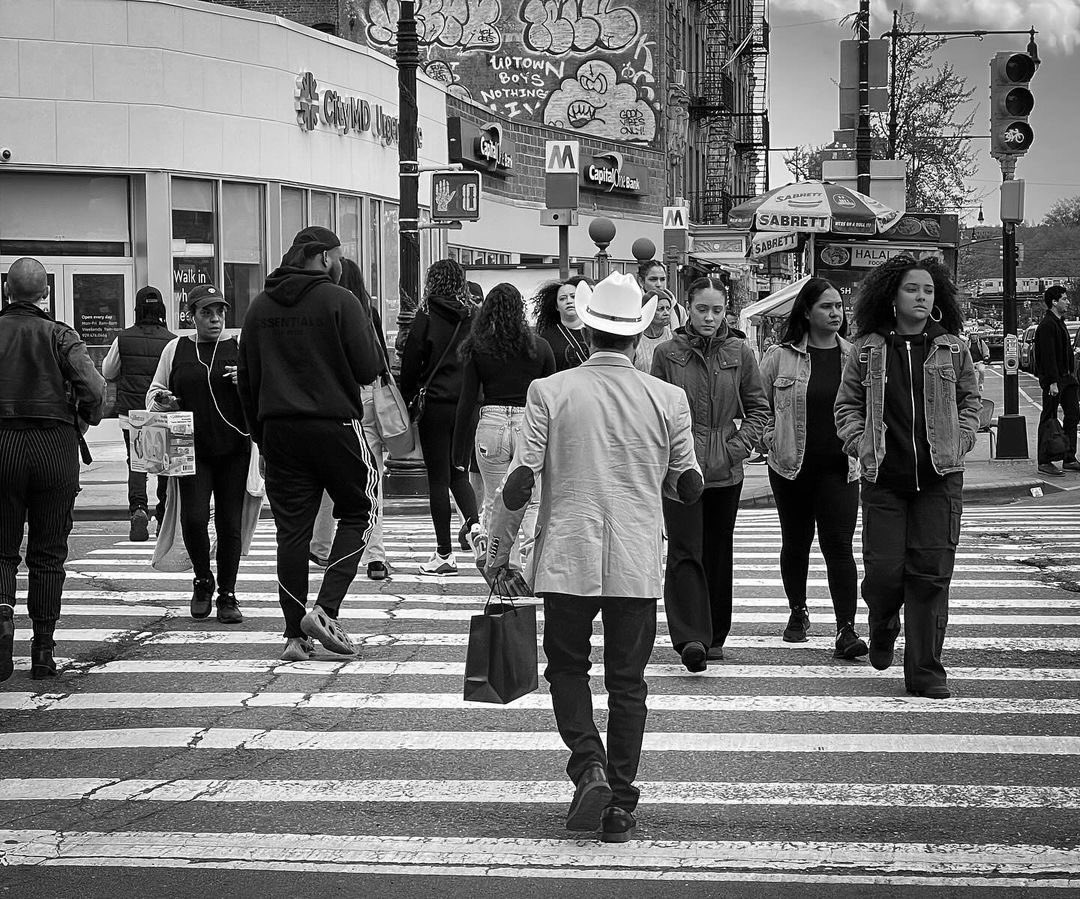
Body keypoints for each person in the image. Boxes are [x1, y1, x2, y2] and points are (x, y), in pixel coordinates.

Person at [486, 272, 702, 843]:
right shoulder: (668, 398)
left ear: (589, 326)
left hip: (567, 554)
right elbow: (686, 478)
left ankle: (589, 767)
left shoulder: (549, 392)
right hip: (634, 558)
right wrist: (683, 476)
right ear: (637, 334)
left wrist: (500, 550)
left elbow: (521, 479)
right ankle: (622, 802)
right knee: (628, 681)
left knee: (567, 668)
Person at [835, 256, 981, 700]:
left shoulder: (953, 348)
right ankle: (883, 624)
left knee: (931, 575)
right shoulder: (868, 349)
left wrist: (964, 436)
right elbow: (846, 408)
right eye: (912, 289)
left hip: (940, 480)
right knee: (883, 573)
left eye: (929, 290)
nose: (921, 297)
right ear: (891, 297)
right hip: (884, 481)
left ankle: (925, 671)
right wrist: (860, 443)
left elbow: (971, 400)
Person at [237, 227, 381, 662]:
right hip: (334, 424)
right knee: (362, 508)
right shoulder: (341, 300)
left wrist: (260, 438)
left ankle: (293, 634)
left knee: (292, 532)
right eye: (337, 255)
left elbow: (247, 380)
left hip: (278, 429)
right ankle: (326, 608)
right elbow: (368, 368)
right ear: (320, 257)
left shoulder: (260, 307)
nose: (340, 263)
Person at [651, 275, 770, 670]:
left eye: (717, 310)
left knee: (718, 551)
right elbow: (658, 413)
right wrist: (670, 459)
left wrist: (735, 448)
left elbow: (759, 409)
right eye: (702, 309)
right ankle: (690, 638)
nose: (710, 317)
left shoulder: (740, 350)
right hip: (680, 469)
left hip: (725, 469)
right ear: (689, 307)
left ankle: (716, 633)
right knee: (685, 550)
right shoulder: (667, 353)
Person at [0, 257, 106, 682]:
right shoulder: (61, 335)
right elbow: (95, 388)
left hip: (2, 444)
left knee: (2, 548)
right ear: (44, 294)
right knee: (48, 552)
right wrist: (85, 417)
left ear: (7, 292)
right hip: (53, 445)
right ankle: (43, 648)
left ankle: (2, 616)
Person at [757, 278, 867, 659]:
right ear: (806, 311)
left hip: (840, 467)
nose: (835, 313)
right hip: (791, 466)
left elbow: (868, 408)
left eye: (839, 306)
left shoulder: (854, 356)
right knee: (797, 541)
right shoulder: (779, 356)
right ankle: (798, 611)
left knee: (839, 546)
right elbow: (759, 403)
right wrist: (771, 437)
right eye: (826, 306)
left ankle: (846, 628)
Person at [148, 284, 249, 626]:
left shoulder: (240, 348)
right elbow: (155, 393)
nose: (215, 319)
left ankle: (228, 594)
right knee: (193, 519)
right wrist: (164, 401)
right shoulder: (175, 349)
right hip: (189, 451)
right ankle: (203, 580)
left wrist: (245, 381)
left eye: (220, 312)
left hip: (234, 450)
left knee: (229, 522)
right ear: (192, 316)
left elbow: (265, 392)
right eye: (207, 313)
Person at [452, 283, 555, 576]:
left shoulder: (478, 348)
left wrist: (458, 450)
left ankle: (504, 565)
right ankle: (532, 563)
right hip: (528, 423)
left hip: (491, 422)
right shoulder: (539, 347)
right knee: (532, 500)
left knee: (497, 499)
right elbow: (551, 396)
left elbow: (467, 400)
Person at [308, 258, 390, 581]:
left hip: (337, 400)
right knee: (374, 479)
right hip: (369, 398)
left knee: (330, 473)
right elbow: (378, 359)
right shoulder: (368, 313)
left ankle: (323, 546)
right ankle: (376, 556)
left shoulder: (327, 311)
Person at [399, 258, 480, 574]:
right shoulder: (472, 316)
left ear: (432, 282)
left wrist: (407, 398)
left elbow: (410, 361)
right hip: (467, 404)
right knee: (459, 471)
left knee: (437, 478)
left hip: (434, 403)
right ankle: (475, 527)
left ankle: (444, 554)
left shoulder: (427, 315)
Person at [102, 286, 176, 541]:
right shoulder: (172, 340)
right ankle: (164, 511)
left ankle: (138, 509)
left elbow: (109, 371)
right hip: (160, 411)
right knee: (164, 464)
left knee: (137, 462)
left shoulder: (123, 338)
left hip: (132, 413)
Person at [1032, 285, 1079, 477]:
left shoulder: (1059, 322)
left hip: (1067, 379)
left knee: (1073, 414)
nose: (1067, 302)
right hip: (1055, 380)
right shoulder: (1047, 325)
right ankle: (1045, 460)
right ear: (1054, 301)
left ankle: (1068, 457)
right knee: (1049, 417)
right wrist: (1052, 382)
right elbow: (1048, 356)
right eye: (1064, 299)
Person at [535, 277, 592, 372]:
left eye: (573, 296)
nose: (569, 301)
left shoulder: (595, 331)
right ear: (556, 306)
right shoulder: (548, 337)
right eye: (562, 299)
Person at [633, 288, 674, 372]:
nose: (666, 313)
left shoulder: (673, 337)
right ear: (648, 311)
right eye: (660, 309)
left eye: (668, 308)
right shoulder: (635, 340)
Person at [638, 260, 686, 329]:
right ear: (641, 281)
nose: (659, 284)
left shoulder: (678, 309)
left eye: (662, 279)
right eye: (653, 279)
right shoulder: (633, 308)